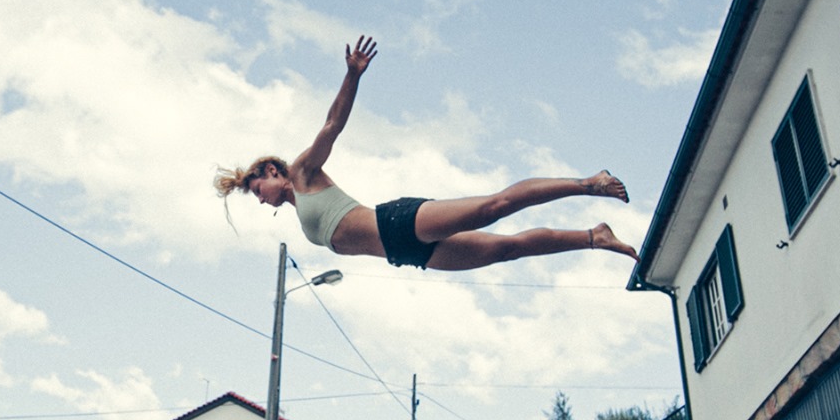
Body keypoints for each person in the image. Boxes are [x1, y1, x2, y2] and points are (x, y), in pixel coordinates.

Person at [213, 37, 639, 270]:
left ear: (272, 170)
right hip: (407, 253)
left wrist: (352, 77)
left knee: (494, 206)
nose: (261, 197)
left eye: (257, 188)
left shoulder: (303, 172)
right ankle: (593, 237)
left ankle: (588, 182)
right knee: (506, 250)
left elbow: (332, 125)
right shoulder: (296, 203)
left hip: (396, 221)